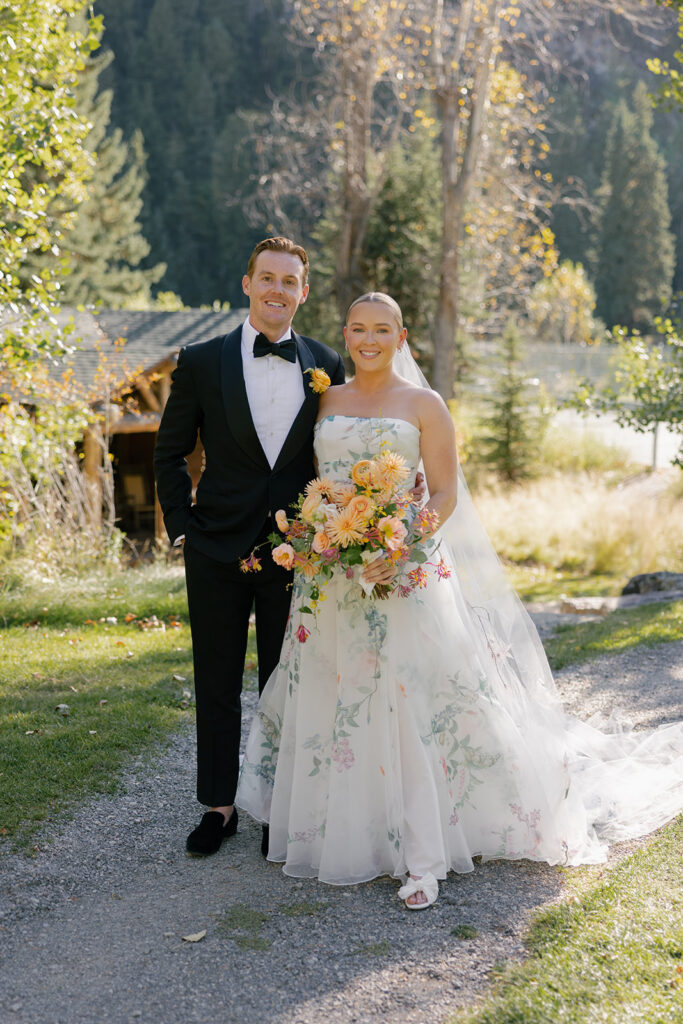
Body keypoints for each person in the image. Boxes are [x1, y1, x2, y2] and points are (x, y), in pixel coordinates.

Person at [236, 291, 683, 909]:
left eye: (382, 329)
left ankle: (423, 851)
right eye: (358, 329)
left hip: (405, 572)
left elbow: (442, 494)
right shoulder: (327, 400)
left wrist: (400, 541)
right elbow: (315, 483)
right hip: (334, 576)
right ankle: (349, 833)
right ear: (345, 332)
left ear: (402, 335)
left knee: (411, 698)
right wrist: (323, 533)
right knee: (340, 697)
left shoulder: (425, 404)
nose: (369, 340)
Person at [153, 237, 346, 857]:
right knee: (215, 680)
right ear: (247, 284)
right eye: (267, 278)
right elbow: (170, 450)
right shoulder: (201, 361)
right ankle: (220, 806)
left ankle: (277, 808)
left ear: (304, 292)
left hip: (295, 552)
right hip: (214, 549)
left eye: (289, 282)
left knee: (285, 682)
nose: (277, 291)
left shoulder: (324, 364)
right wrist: (181, 522)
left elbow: (336, 454)